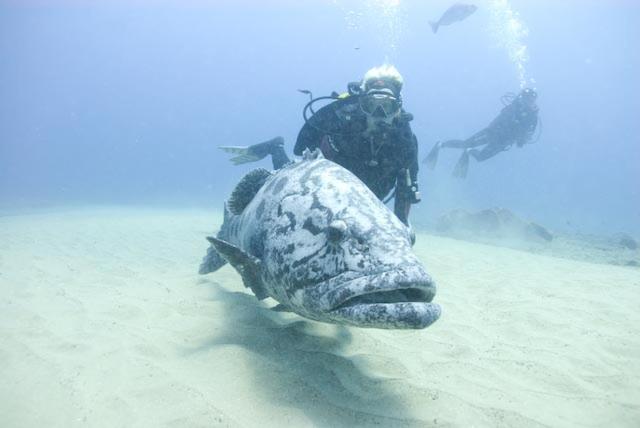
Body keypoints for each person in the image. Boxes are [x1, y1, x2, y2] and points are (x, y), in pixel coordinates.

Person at [220, 65, 421, 227]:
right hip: (325, 186)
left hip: (366, 199)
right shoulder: (341, 117)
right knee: (288, 189)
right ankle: (275, 147)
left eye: (387, 106)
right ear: (361, 104)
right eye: (372, 105)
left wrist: (403, 225)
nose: (379, 114)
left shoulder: (406, 141)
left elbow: (407, 188)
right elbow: (301, 147)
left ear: (398, 108)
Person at [424, 88, 539, 179]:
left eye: (533, 100)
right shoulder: (514, 108)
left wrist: (522, 139)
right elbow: (503, 121)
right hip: (491, 133)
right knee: (465, 144)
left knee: (481, 157)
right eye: (529, 99)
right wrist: (514, 127)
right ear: (523, 98)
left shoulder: (533, 116)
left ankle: (468, 152)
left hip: (503, 142)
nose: (531, 103)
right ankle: (441, 145)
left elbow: (528, 134)